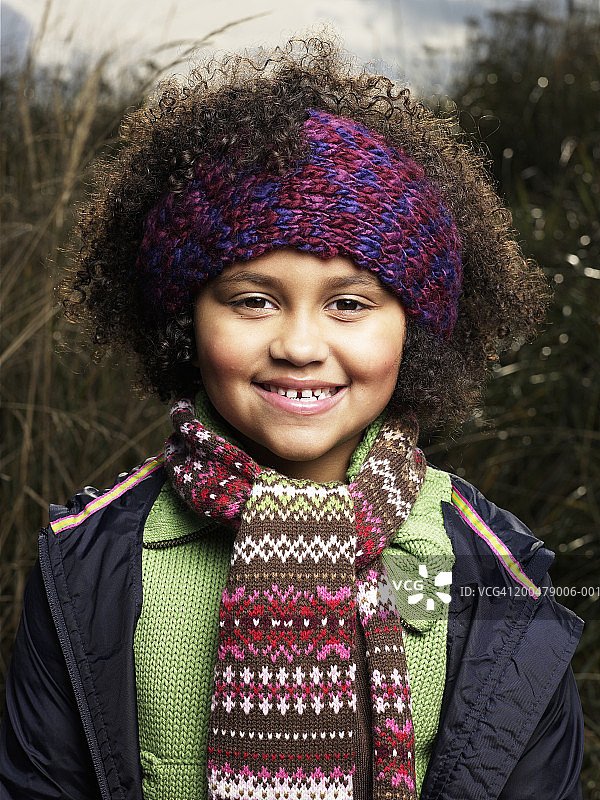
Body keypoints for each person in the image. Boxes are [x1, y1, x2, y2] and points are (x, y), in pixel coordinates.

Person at [0, 37, 584, 800]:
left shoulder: (497, 575)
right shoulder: (88, 565)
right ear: (186, 320)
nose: (301, 346)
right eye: (254, 299)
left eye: (349, 303)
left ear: (415, 329)